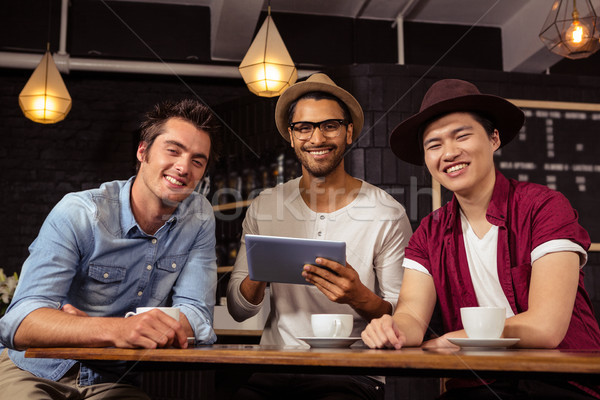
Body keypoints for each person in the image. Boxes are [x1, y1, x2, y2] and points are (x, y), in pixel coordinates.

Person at [361, 78, 600, 399]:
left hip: (561, 379)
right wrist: (391, 329)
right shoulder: (429, 233)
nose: (449, 152)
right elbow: (412, 316)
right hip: (478, 383)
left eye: (462, 136)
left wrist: (459, 338)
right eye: (434, 145)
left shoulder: (544, 207)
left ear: (494, 139)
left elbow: (547, 327)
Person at [0, 99, 221, 399]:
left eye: (198, 160)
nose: (183, 167)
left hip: (110, 381)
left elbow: (198, 315)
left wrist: (115, 327)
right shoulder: (78, 212)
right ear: (142, 151)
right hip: (33, 369)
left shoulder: (199, 216)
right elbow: (19, 321)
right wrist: (119, 331)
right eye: (173, 150)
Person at [226, 73, 412, 399]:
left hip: (352, 371)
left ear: (348, 132)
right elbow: (239, 310)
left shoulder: (387, 212)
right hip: (276, 364)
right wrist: (261, 271)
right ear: (291, 135)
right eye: (304, 127)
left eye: (330, 125)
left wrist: (358, 295)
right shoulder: (265, 206)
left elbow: (404, 319)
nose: (317, 138)